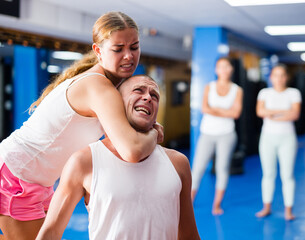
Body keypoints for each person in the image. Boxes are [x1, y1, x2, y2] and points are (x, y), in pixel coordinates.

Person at [0, 12, 163, 240]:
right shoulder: (98, 86)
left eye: (134, 47)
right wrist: (155, 132)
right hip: (16, 174)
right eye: (118, 49)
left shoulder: (109, 86)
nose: (129, 56)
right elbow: (132, 150)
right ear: (98, 51)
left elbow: (117, 139)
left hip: (39, 178)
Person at [36, 75, 200, 240]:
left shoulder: (177, 163)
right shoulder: (84, 161)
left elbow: (189, 235)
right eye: (138, 90)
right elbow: (51, 232)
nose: (148, 97)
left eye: (154, 96)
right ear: (117, 103)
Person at [191, 57, 243, 215]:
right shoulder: (209, 87)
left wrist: (216, 110)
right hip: (207, 133)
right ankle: (188, 202)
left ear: (231, 69)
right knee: (198, 168)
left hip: (227, 134)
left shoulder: (237, 90)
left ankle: (217, 205)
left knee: (222, 168)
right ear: (216, 70)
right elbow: (204, 109)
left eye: (227, 66)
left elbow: (236, 113)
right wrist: (225, 112)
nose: (224, 70)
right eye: (220, 67)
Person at [255, 64, 301, 220]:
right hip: (267, 138)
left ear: (286, 77)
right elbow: (260, 112)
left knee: (287, 175)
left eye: (282, 75)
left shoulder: (294, 93)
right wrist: (283, 111)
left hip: (287, 138)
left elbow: (294, 115)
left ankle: (289, 210)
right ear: (271, 77)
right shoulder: (264, 93)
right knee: (268, 174)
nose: (279, 78)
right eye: (276, 75)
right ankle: (266, 207)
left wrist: (271, 113)